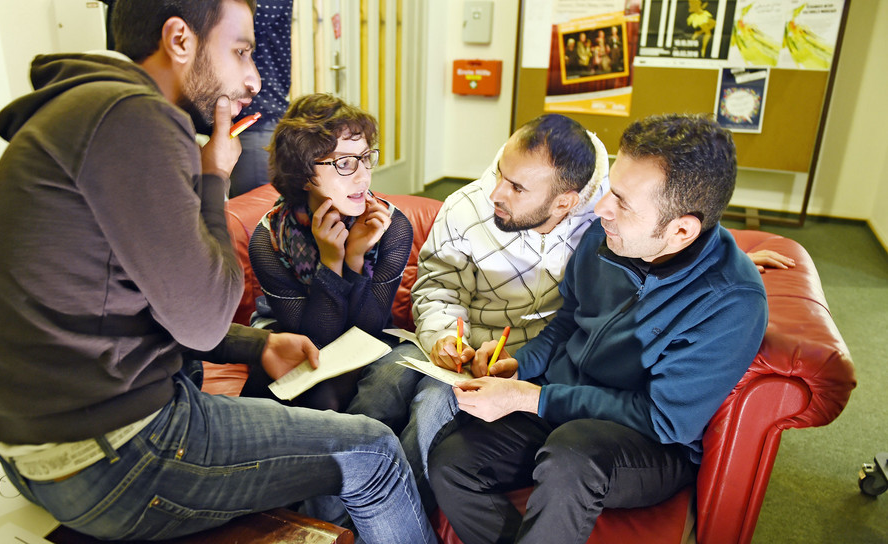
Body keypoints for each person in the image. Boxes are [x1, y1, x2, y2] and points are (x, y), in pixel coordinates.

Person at [0, 1, 436, 542]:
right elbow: (205, 319)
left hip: (38, 450)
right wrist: (213, 179)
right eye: (240, 51)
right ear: (179, 39)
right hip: (113, 456)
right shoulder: (135, 116)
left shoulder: (82, 111)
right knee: (374, 452)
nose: (254, 77)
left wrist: (258, 346)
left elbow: (151, 309)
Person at [428, 113, 770, 543]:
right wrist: (520, 367)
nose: (602, 208)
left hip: (647, 442)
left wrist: (535, 398)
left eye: (623, 201)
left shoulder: (731, 302)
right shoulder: (608, 236)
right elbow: (569, 321)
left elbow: (665, 420)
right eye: (610, 190)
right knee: (452, 460)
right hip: (562, 405)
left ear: (681, 230)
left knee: (571, 453)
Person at [405, 113, 610, 508]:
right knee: (415, 403)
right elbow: (437, 288)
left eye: (516, 187)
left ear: (565, 202)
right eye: (501, 171)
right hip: (463, 354)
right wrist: (446, 336)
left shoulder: (609, 223)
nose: (496, 193)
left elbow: (670, 235)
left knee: (439, 419)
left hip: (539, 367)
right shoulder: (464, 207)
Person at [247, 92, 423, 415]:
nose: (362, 175)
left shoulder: (391, 227)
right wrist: (330, 262)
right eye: (344, 163)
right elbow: (314, 340)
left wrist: (354, 257)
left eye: (365, 157)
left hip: (368, 339)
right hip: (292, 336)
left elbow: (367, 330)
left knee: (363, 392)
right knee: (312, 396)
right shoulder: (270, 239)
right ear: (303, 176)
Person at [229, 0, 292, 197]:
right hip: (254, 120)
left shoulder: (248, 11)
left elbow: (225, 24)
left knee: (251, 221)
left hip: (255, 121)